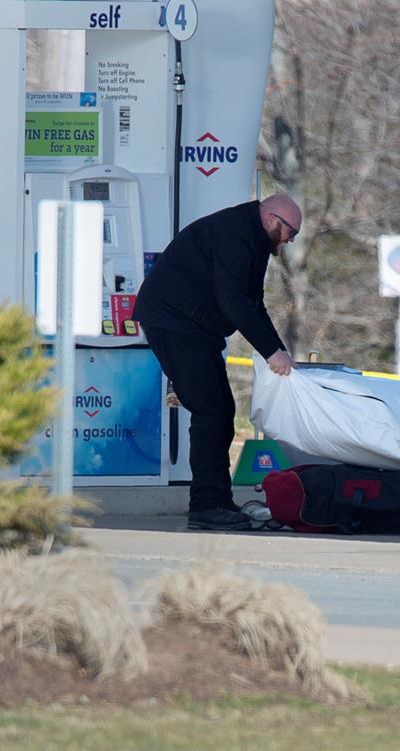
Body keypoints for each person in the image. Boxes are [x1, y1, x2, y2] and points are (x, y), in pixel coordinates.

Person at [133, 195, 301, 531]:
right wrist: (271, 352)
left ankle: (218, 500)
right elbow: (233, 301)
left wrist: (278, 351)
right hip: (173, 321)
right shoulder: (235, 234)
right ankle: (206, 506)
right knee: (211, 411)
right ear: (271, 218)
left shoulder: (253, 238)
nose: (290, 240)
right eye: (290, 232)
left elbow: (254, 304)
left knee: (223, 410)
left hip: (194, 327)